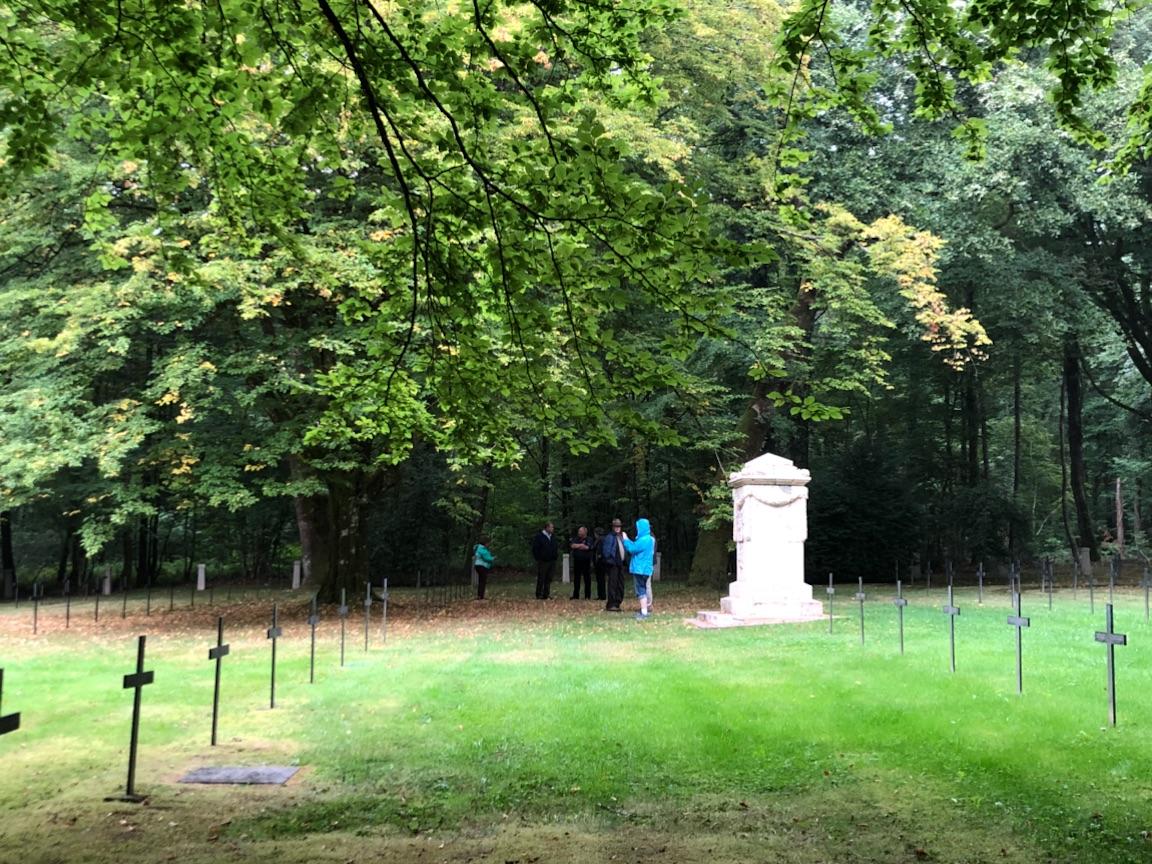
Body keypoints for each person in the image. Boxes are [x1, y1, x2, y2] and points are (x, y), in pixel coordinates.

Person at [622, 517, 656, 620]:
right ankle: (644, 611)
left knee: (641, 590)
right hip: (646, 569)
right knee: (644, 589)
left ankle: (644, 613)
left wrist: (625, 539)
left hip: (640, 569)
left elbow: (632, 548)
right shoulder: (650, 539)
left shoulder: (644, 540)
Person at [601, 518, 627, 611]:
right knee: (613, 584)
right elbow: (606, 552)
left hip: (620, 564)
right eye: (616, 526)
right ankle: (611, 604)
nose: (617, 528)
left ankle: (617, 602)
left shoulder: (621, 537)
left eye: (619, 526)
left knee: (620, 584)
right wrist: (610, 562)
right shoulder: (610, 537)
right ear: (613, 527)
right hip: (613, 564)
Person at [531, 521, 559, 600]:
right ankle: (539, 594)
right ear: (546, 527)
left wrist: (555, 556)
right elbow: (535, 549)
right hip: (543, 561)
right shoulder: (539, 536)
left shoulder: (552, 537)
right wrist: (539, 558)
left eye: (553, 527)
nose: (552, 529)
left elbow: (555, 546)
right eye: (551, 527)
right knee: (541, 577)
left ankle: (546, 594)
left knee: (549, 578)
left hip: (552, 560)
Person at [569, 526, 594, 600]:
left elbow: (588, 547)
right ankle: (576, 595)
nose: (579, 532)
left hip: (586, 561)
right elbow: (572, 546)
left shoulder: (589, 539)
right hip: (577, 561)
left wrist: (579, 546)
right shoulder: (576, 539)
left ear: (585, 532)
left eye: (580, 531)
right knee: (576, 578)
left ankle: (587, 596)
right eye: (579, 531)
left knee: (587, 579)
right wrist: (581, 545)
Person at [473, 535, 495, 600]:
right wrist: (492, 558)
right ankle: (480, 596)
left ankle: (480, 595)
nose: (489, 544)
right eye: (488, 543)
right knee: (482, 581)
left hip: (478, 565)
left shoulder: (478, 548)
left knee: (481, 581)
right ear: (485, 543)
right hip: (482, 566)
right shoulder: (482, 549)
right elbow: (486, 558)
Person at [592, 526, 607, 601]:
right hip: (600, 561)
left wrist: (599, 557)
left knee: (600, 579)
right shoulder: (603, 540)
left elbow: (598, 551)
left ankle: (602, 595)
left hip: (600, 562)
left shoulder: (600, 540)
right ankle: (601, 594)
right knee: (600, 579)